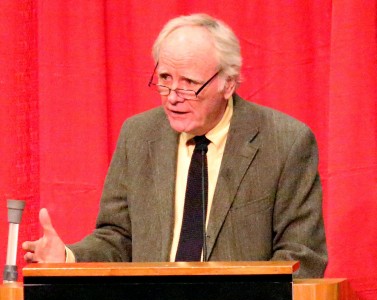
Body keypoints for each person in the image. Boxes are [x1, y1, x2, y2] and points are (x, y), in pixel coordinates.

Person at [22, 14, 327, 278]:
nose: (172, 96)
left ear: (228, 84)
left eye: (189, 83)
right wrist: (68, 257)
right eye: (165, 78)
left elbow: (302, 256)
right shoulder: (139, 135)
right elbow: (118, 238)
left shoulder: (284, 141)